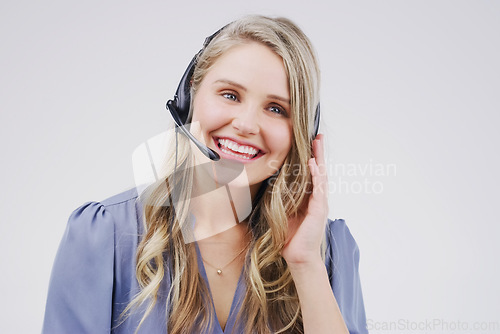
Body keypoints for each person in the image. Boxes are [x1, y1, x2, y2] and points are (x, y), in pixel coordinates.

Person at [42, 15, 368, 334]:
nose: (246, 124)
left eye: (276, 109)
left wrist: (305, 265)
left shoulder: (326, 252)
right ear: (189, 99)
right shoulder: (104, 235)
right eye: (230, 95)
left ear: (300, 133)